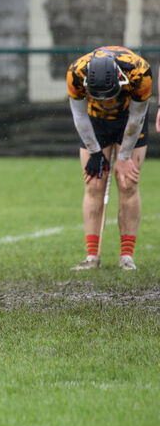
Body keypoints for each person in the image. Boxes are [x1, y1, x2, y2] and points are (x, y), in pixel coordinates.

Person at [67, 46, 152, 271]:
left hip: (129, 119)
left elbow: (137, 117)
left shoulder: (139, 72)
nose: (107, 100)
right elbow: (79, 115)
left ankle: (126, 256)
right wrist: (95, 152)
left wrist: (124, 157)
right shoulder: (76, 73)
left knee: (128, 183)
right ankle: (92, 256)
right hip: (95, 122)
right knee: (94, 183)